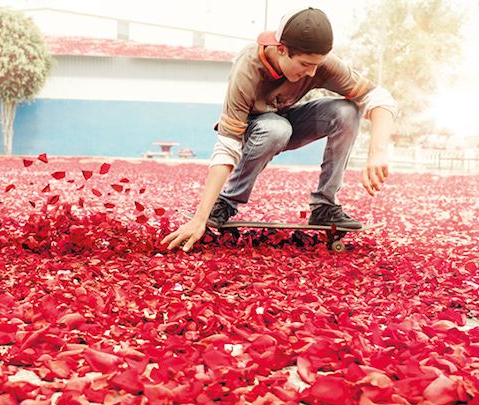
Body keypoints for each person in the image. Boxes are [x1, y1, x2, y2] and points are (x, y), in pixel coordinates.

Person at [162, 7, 397, 252]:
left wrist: (378, 152)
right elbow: (228, 145)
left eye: (317, 65)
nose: (312, 73)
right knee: (276, 128)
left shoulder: (319, 64)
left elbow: (379, 98)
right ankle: (227, 202)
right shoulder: (248, 67)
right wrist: (201, 217)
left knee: (348, 110)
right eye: (305, 64)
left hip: (287, 121)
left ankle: (325, 208)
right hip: (253, 129)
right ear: (281, 49)